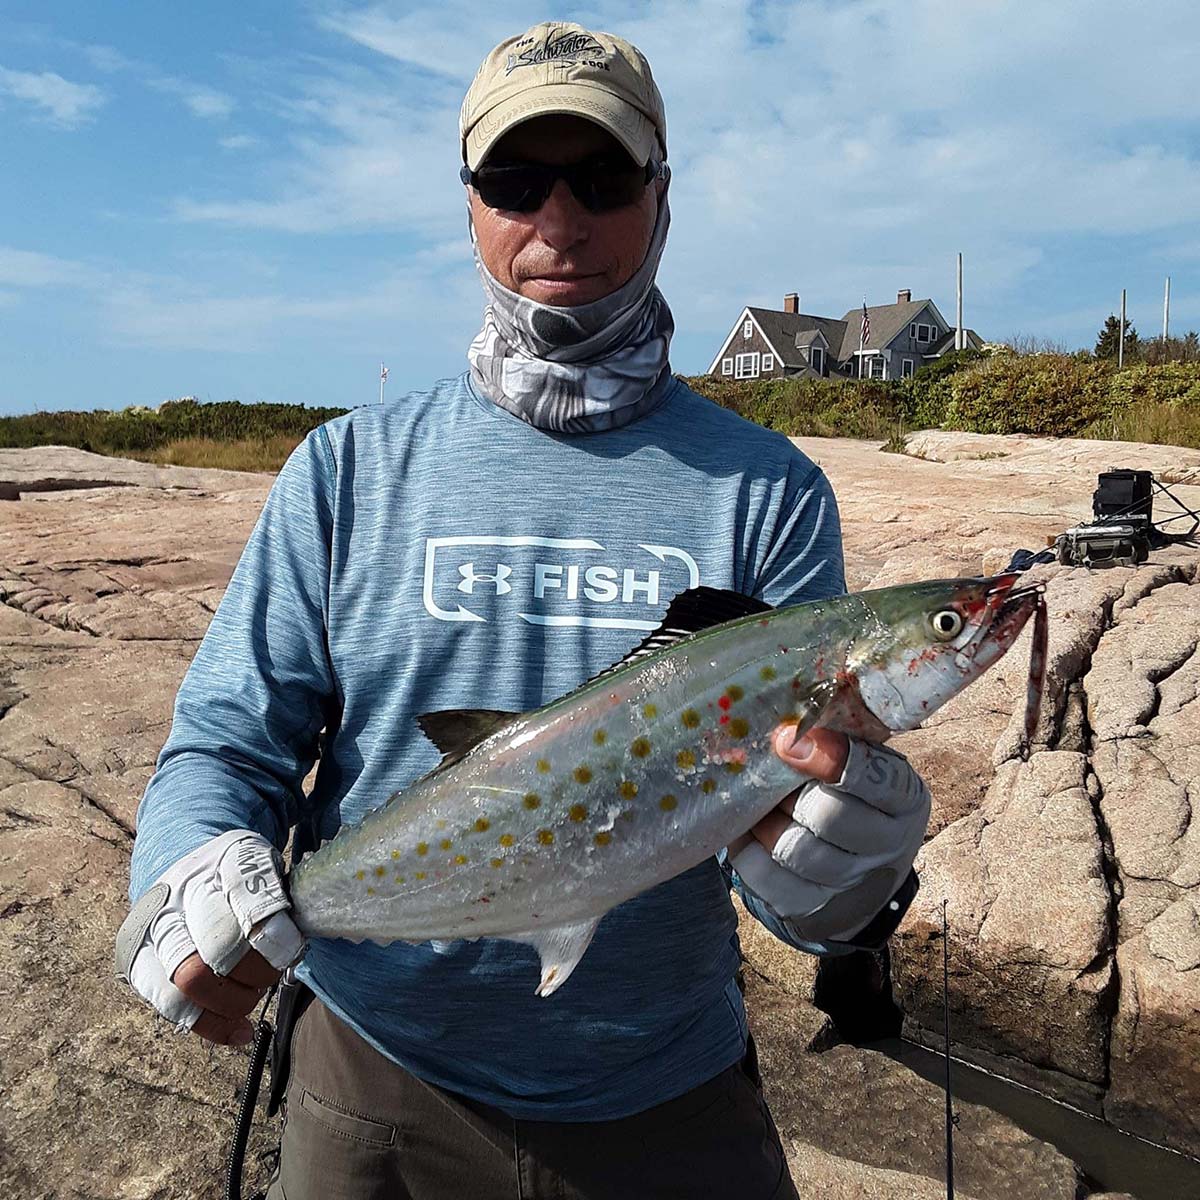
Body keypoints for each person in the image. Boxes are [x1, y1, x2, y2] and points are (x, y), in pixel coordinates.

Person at [116, 21, 931, 1200]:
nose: (560, 222)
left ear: (660, 196)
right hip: (375, 1076)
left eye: (601, 178)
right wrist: (186, 865)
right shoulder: (347, 471)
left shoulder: (771, 492)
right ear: (469, 203)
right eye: (516, 179)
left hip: (667, 1091)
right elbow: (226, 742)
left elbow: (784, 829)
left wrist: (842, 884)